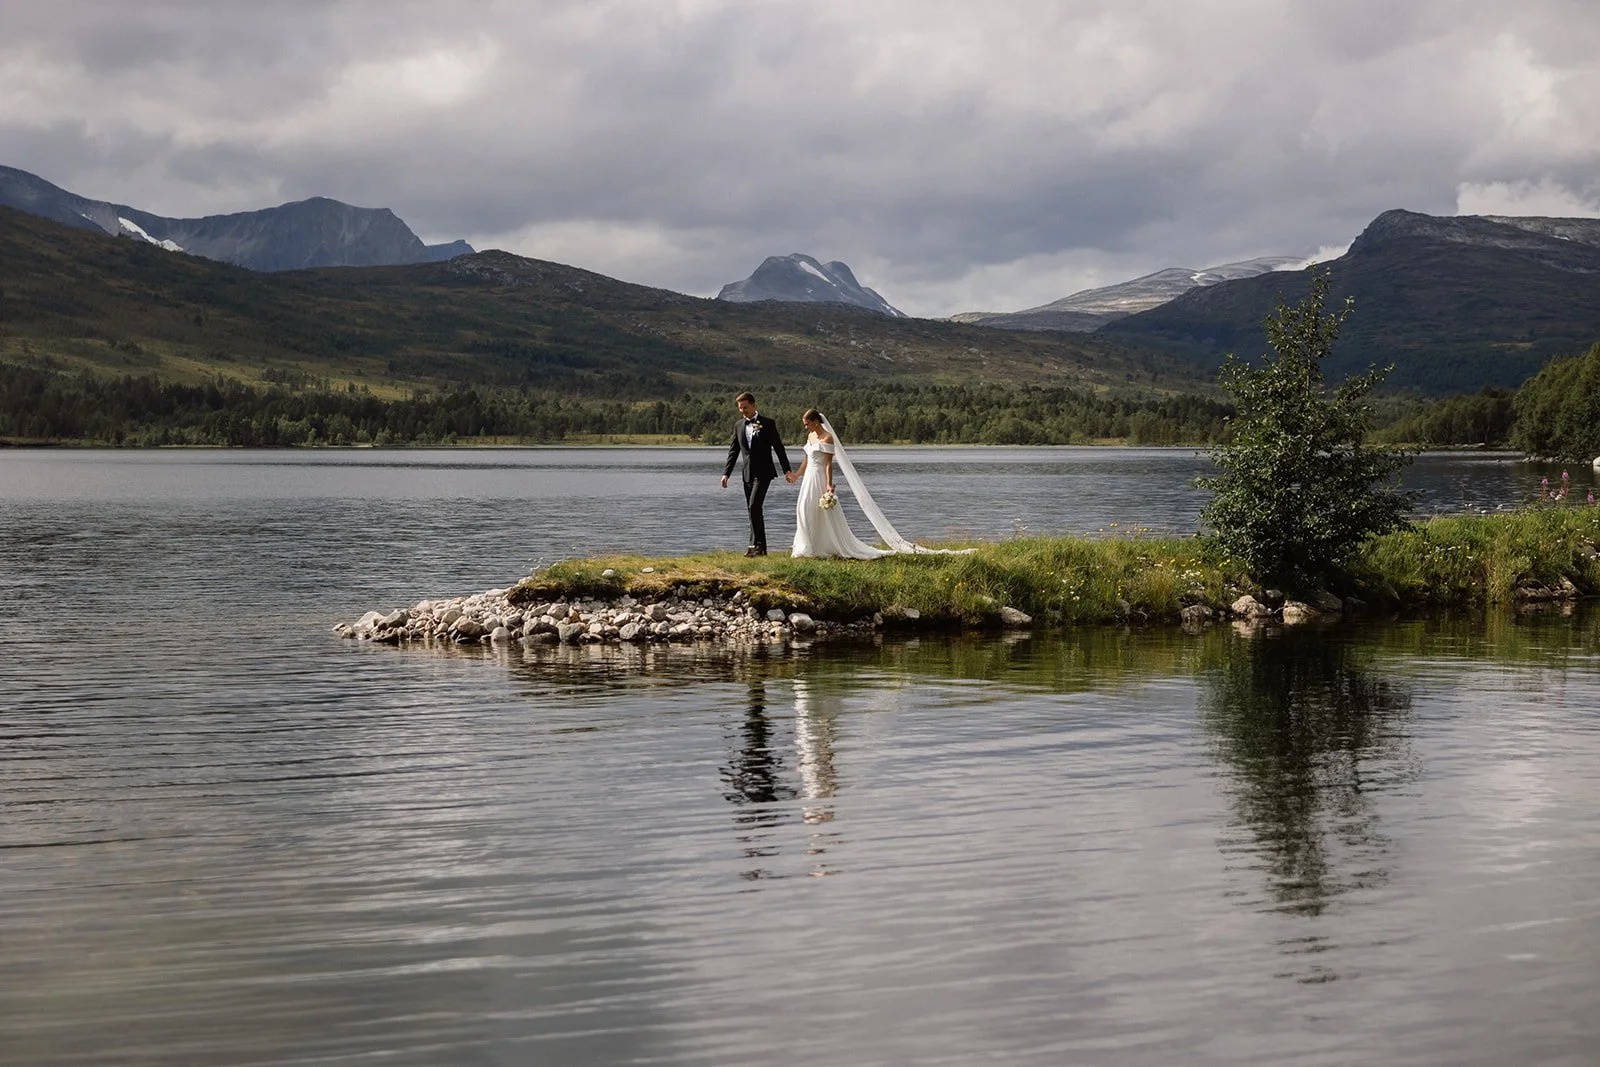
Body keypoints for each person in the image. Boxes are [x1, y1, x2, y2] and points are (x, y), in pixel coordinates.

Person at [791, 408, 893, 559]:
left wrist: (829, 485)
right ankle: (806, 545)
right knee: (803, 508)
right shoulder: (810, 436)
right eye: (805, 424)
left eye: (808, 424)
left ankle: (818, 547)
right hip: (808, 478)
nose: (806, 427)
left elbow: (828, 464)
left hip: (819, 477)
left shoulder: (827, 438)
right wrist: (797, 475)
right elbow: (807, 459)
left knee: (818, 512)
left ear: (816, 422)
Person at [720, 391, 795, 556]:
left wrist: (787, 470)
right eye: (740, 408)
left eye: (745, 407)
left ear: (754, 405)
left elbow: (779, 448)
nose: (742, 411)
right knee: (752, 509)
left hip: (764, 473)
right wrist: (726, 474)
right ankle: (757, 548)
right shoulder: (738, 426)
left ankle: (757, 546)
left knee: (754, 506)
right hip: (747, 473)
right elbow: (734, 451)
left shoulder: (767, 423)